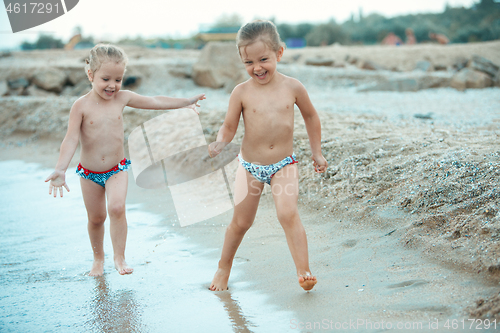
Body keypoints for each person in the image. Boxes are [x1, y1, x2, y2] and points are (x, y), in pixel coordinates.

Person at [45, 44, 205, 277]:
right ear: (90, 74)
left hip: (116, 169)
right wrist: (60, 169)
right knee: (97, 218)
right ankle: (98, 259)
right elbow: (70, 140)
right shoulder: (80, 106)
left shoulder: (122, 98)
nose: (112, 85)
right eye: (106, 79)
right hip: (88, 174)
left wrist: (186, 101)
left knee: (117, 208)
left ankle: (119, 257)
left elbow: (155, 101)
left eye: (118, 79)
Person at [208, 20, 328, 292]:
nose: (257, 68)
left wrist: (316, 152)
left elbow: (311, 116)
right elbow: (229, 126)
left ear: (279, 53)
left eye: (264, 59)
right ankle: (223, 267)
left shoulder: (293, 87)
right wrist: (219, 143)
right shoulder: (241, 92)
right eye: (249, 62)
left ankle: (303, 270)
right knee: (241, 222)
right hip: (250, 167)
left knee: (287, 213)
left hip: (284, 164)